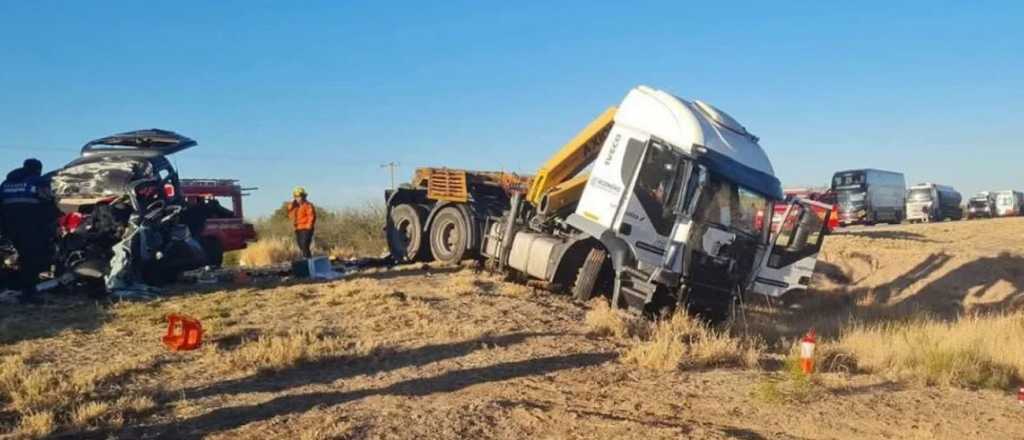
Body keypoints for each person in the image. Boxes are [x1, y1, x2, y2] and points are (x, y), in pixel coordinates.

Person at [1, 159, 59, 304]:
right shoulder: (39, 181)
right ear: (38, 169)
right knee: (31, 258)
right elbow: (48, 201)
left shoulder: (6, 183)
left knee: (14, 256)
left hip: (8, 227)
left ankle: (11, 285)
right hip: (31, 225)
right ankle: (28, 292)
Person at [286, 187, 316, 259]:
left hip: (307, 228)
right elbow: (290, 216)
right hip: (298, 228)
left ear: (303, 196)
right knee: (300, 245)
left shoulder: (308, 205)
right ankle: (308, 260)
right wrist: (291, 207)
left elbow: (311, 216)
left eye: (299, 196)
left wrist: (309, 227)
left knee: (304, 245)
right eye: (296, 197)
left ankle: (307, 260)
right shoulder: (293, 206)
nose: (297, 198)